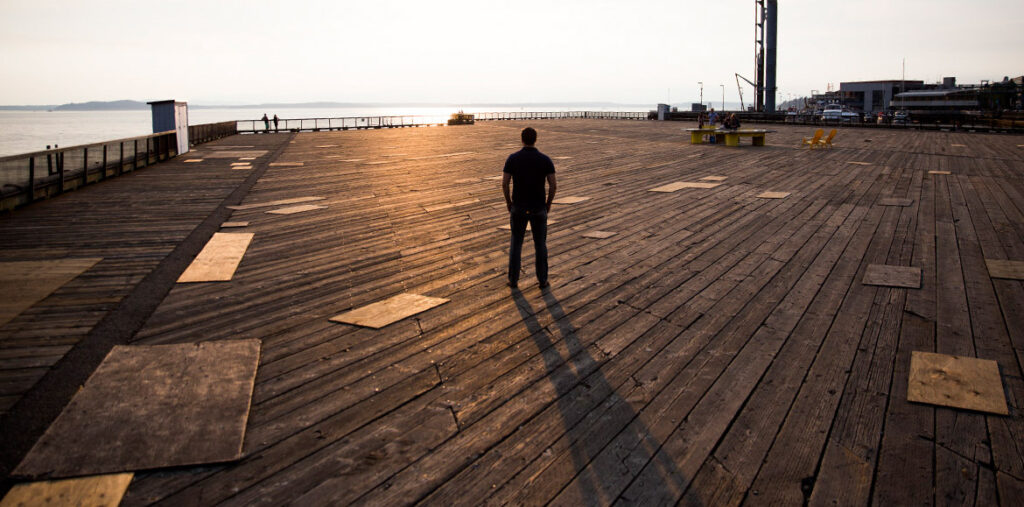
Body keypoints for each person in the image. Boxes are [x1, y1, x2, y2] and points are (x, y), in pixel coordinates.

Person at [502, 127, 557, 289]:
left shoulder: (512, 158)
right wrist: (549, 203)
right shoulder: (545, 159)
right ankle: (542, 280)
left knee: (516, 244)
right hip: (539, 207)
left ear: (522, 139)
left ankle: (513, 280)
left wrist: (508, 202)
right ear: (535, 139)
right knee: (540, 245)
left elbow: (505, 183)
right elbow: (553, 185)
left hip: (518, 206)